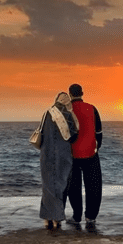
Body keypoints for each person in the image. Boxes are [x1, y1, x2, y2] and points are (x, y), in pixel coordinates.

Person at [38, 92, 79, 230]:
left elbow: (41, 133)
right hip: (63, 155)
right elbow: (73, 136)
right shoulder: (68, 115)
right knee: (60, 186)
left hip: (46, 154)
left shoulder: (47, 113)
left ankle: (46, 218)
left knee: (47, 185)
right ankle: (56, 218)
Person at [65, 84, 103, 228]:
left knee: (73, 187)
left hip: (72, 154)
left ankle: (76, 216)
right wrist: (96, 147)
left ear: (70, 94)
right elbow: (99, 133)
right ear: (82, 93)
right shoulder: (92, 109)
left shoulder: (67, 111)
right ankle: (91, 217)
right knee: (94, 186)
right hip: (90, 153)